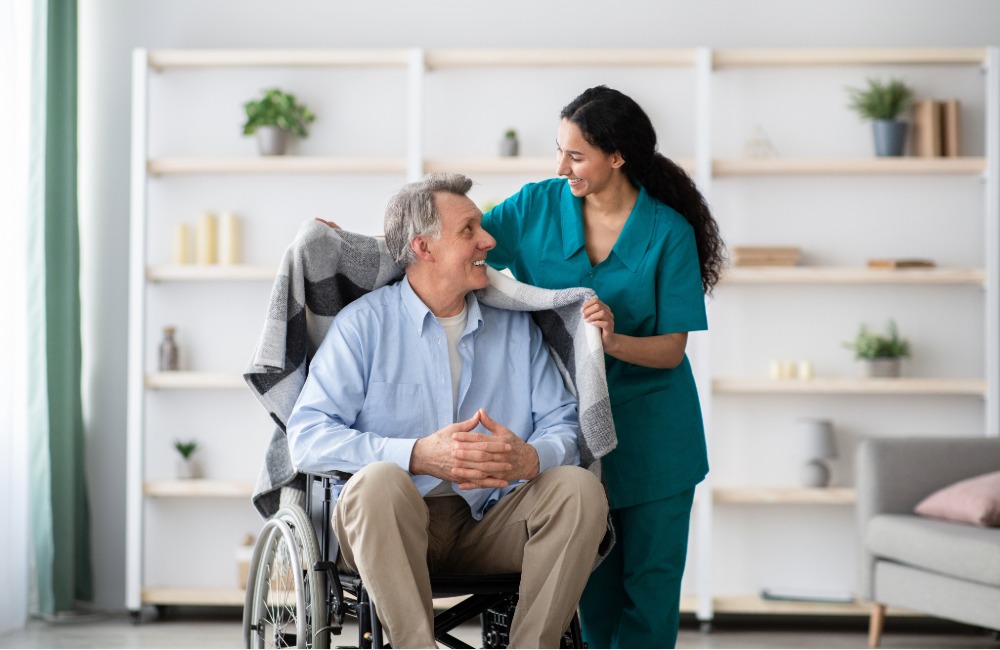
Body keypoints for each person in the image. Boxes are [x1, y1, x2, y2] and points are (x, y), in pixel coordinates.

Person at [286, 172, 609, 649]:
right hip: (390, 526)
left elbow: (562, 422)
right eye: (469, 230)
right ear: (423, 247)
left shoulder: (515, 330)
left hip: (490, 522)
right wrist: (415, 454)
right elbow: (306, 438)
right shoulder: (363, 326)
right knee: (378, 482)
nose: (488, 240)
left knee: (580, 489)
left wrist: (532, 458)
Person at [481, 85, 726, 648]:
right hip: (570, 429)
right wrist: (355, 243)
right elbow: (460, 244)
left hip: (656, 434)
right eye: (560, 150)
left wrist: (609, 341)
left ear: (617, 157)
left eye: (576, 155)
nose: (561, 166)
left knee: (651, 587)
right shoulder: (536, 206)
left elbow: (670, 350)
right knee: (593, 587)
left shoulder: (668, 232)